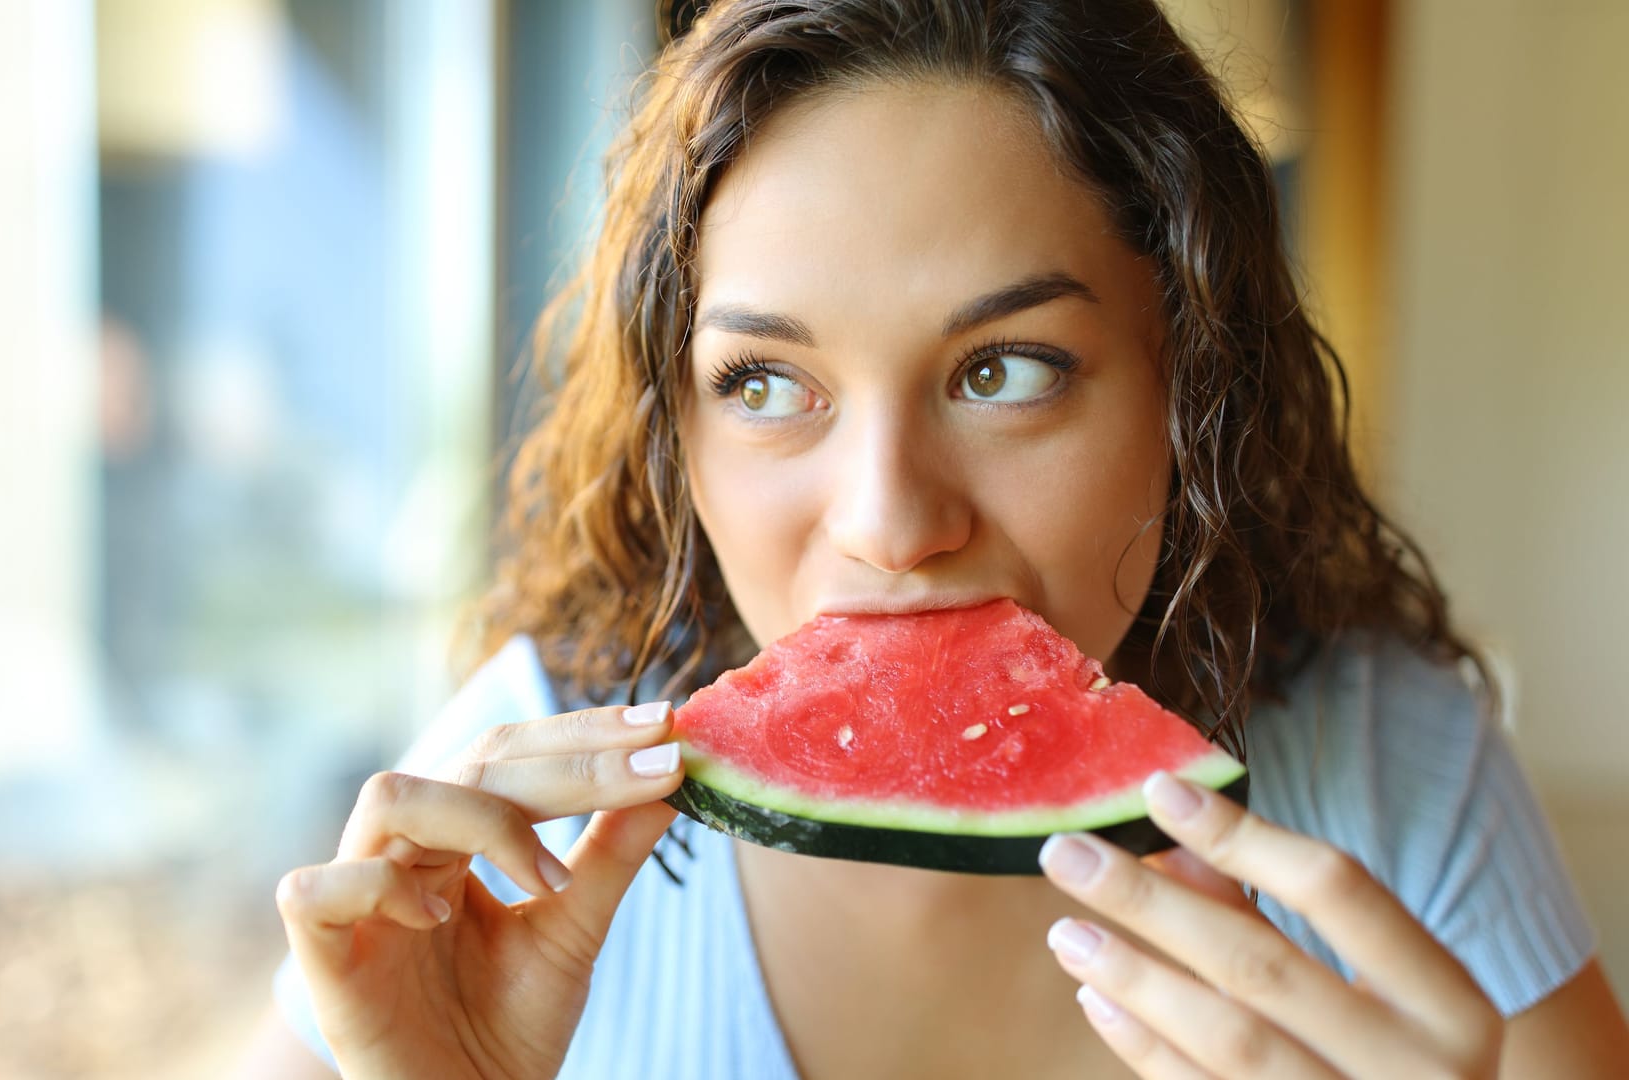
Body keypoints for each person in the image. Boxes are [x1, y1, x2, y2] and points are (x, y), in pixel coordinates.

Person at [236, 1, 1629, 1075]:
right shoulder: (504, 819)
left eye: (1005, 369)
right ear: (679, 427)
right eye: (768, 385)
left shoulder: (1396, 778)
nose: (892, 522)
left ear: (1190, 388)